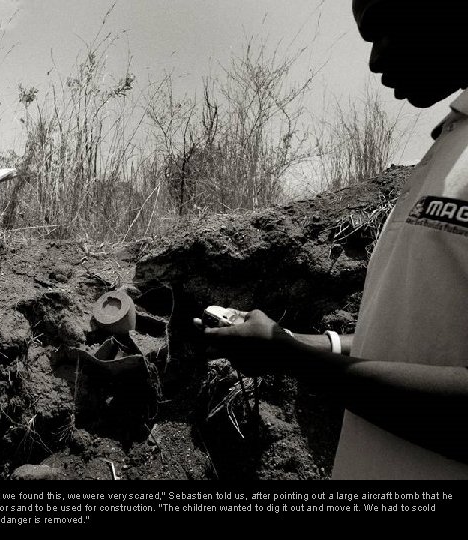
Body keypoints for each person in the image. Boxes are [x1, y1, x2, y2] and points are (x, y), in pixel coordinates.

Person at [197, 0, 468, 479]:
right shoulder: (449, 146)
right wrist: (295, 344)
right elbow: (418, 345)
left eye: (385, 30)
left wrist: (296, 362)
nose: (374, 61)